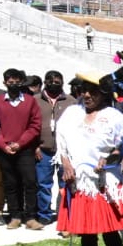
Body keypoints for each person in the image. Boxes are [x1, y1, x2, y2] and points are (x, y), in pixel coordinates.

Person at [56, 71, 123, 246]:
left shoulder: (114, 117)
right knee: (87, 234)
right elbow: (61, 143)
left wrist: (108, 159)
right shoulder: (71, 114)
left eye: (93, 91)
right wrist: (66, 163)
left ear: (104, 93)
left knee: (110, 233)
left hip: (103, 184)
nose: (87, 95)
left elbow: (119, 148)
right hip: (79, 183)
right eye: (84, 91)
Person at [0, 67, 43, 228]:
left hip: (25, 149)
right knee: (11, 183)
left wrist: (20, 143)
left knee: (30, 182)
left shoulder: (30, 100)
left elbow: (35, 125)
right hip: (5, 150)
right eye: (10, 82)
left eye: (17, 82)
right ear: (4, 83)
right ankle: (15, 216)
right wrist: (3, 145)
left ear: (21, 83)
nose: (13, 84)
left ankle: (31, 217)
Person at [33, 70, 70, 226]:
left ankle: (64, 214)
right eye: (50, 81)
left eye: (57, 81)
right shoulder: (35, 100)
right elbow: (31, 125)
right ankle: (44, 214)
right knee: (43, 184)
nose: (53, 84)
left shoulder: (71, 101)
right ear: (45, 82)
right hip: (43, 149)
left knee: (65, 184)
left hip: (64, 151)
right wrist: (35, 146)